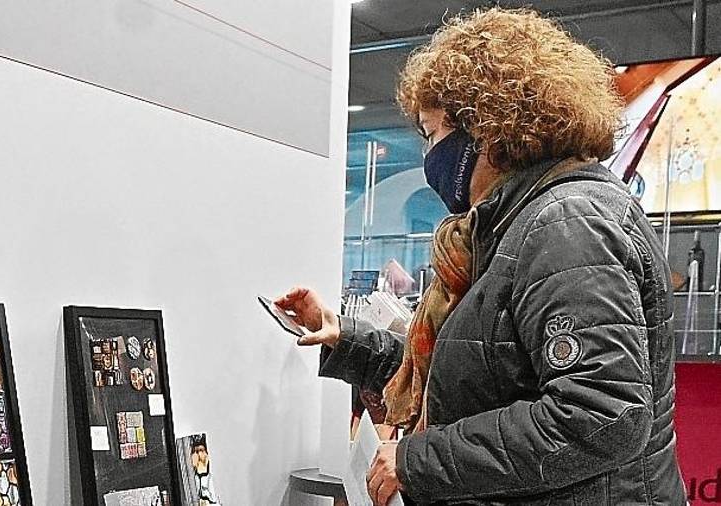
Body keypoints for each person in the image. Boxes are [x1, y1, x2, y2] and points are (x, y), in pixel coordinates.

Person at [276, 8, 685, 506]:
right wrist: (345, 336)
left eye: (431, 134)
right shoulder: (509, 229)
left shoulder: (566, 224)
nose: (429, 154)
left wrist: (419, 460)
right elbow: (476, 379)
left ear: (486, 129)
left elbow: (599, 416)